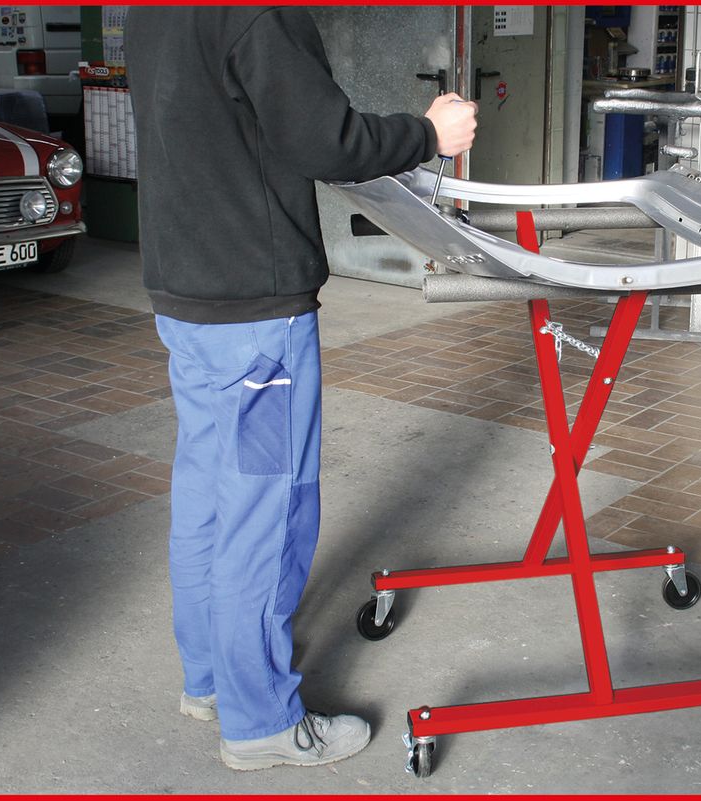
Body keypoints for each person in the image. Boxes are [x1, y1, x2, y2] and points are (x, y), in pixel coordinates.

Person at [126, 7, 476, 771]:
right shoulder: (258, 13)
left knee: (207, 493)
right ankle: (260, 721)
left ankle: (211, 679)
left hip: (185, 295)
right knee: (265, 511)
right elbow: (325, 140)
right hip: (254, 316)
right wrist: (429, 133)